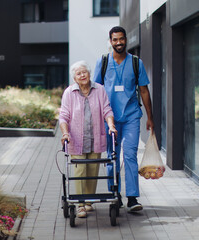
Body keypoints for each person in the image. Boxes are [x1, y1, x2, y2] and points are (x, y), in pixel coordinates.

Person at [93, 26, 154, 212]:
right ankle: (115, 194)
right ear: (110, 41)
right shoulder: (102, 62)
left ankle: (133, 198)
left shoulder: (136, 63)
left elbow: (143, 90)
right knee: (112, 156)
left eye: (121, 39)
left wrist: (150, 118)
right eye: (115, 40)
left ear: (126, 40)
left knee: (129, 154)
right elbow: (96, 90)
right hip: (109, 118)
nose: (118, 43)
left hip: (131, 116)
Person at [59, 60, 118, 218]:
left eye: (84, 72)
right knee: (80, 171)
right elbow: (63, 116)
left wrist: (111, 125)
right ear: (74, 78)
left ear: (89, 73)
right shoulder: (69, 93)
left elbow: (107, 109)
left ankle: (89, 201)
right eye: (78, 73)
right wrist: (65, 133)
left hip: (95, 138)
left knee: (93, 170)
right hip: (76, 140)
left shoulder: (99, 89)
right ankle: (80, 205)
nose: (82, 75)